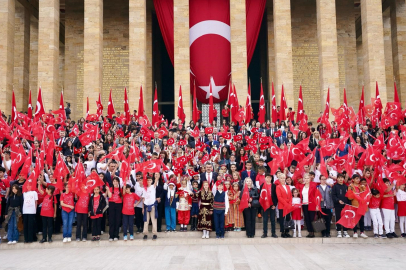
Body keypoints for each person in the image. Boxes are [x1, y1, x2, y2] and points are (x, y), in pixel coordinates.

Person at [332, 173, 350, 238]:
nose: (340, 179)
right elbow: (333, 196)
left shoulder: (346, 187)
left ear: (344, 178)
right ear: (337, 179)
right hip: (337, 205)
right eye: (339, 178)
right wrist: (338, 200)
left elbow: (349, 196)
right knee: (338, 218)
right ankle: (339, 231)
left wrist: (348, 204)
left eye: (342, 178)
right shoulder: (335, 187)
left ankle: (345, 231)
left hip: (345, 205)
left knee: (345, 217)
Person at [260, 173, 278, 238]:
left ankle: (273, 233)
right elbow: (261, 195)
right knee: (265, 220)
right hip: (265, 204)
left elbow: (276, 196)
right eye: (267, 177)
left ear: (271, 178)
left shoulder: (274, 186)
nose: (268, 179)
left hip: (272, 204)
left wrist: (275, 204)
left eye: (270, 177)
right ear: (265, 178)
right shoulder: (262, 185)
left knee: (273, 219)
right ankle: (265, 233)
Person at [142, 175, 158, 240]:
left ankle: (154, 233)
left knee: (154, 220)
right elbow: (143, 198)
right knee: (146, 221)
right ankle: (145, 234)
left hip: (152, 206)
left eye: (150, 180)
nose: (148, 181)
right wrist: (143, 208)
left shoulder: (153, 187)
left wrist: (156, 177)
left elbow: (156, 180)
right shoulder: (144, 188)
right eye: (147, 180)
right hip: (146, 206)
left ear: (152, 181)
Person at [106, 177, 123, 241]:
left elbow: (121, 197)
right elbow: (110, 196)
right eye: (114, 181)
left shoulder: (120, 189)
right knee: (111, 220)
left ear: (118, 182)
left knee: (117, 220)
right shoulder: (110, 188)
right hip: (112, 204)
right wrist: (107, 190)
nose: (115, 182)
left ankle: (116, 235)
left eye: (116, 181)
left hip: (118, 205)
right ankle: (111, 235)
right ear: (112, 182)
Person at [276, 173, 292, 238]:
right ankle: (282, 232)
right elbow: (279, 197)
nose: (283, 179)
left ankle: (287, 232)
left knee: (288, 218)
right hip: (282, 205)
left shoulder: (287, 186)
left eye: (283, 178)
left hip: (288, 206)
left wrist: (289, 203)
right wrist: (286, 204)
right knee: (282, 219)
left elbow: (290, 196)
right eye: (281, 178)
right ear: (279, 179)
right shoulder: (278, 187)